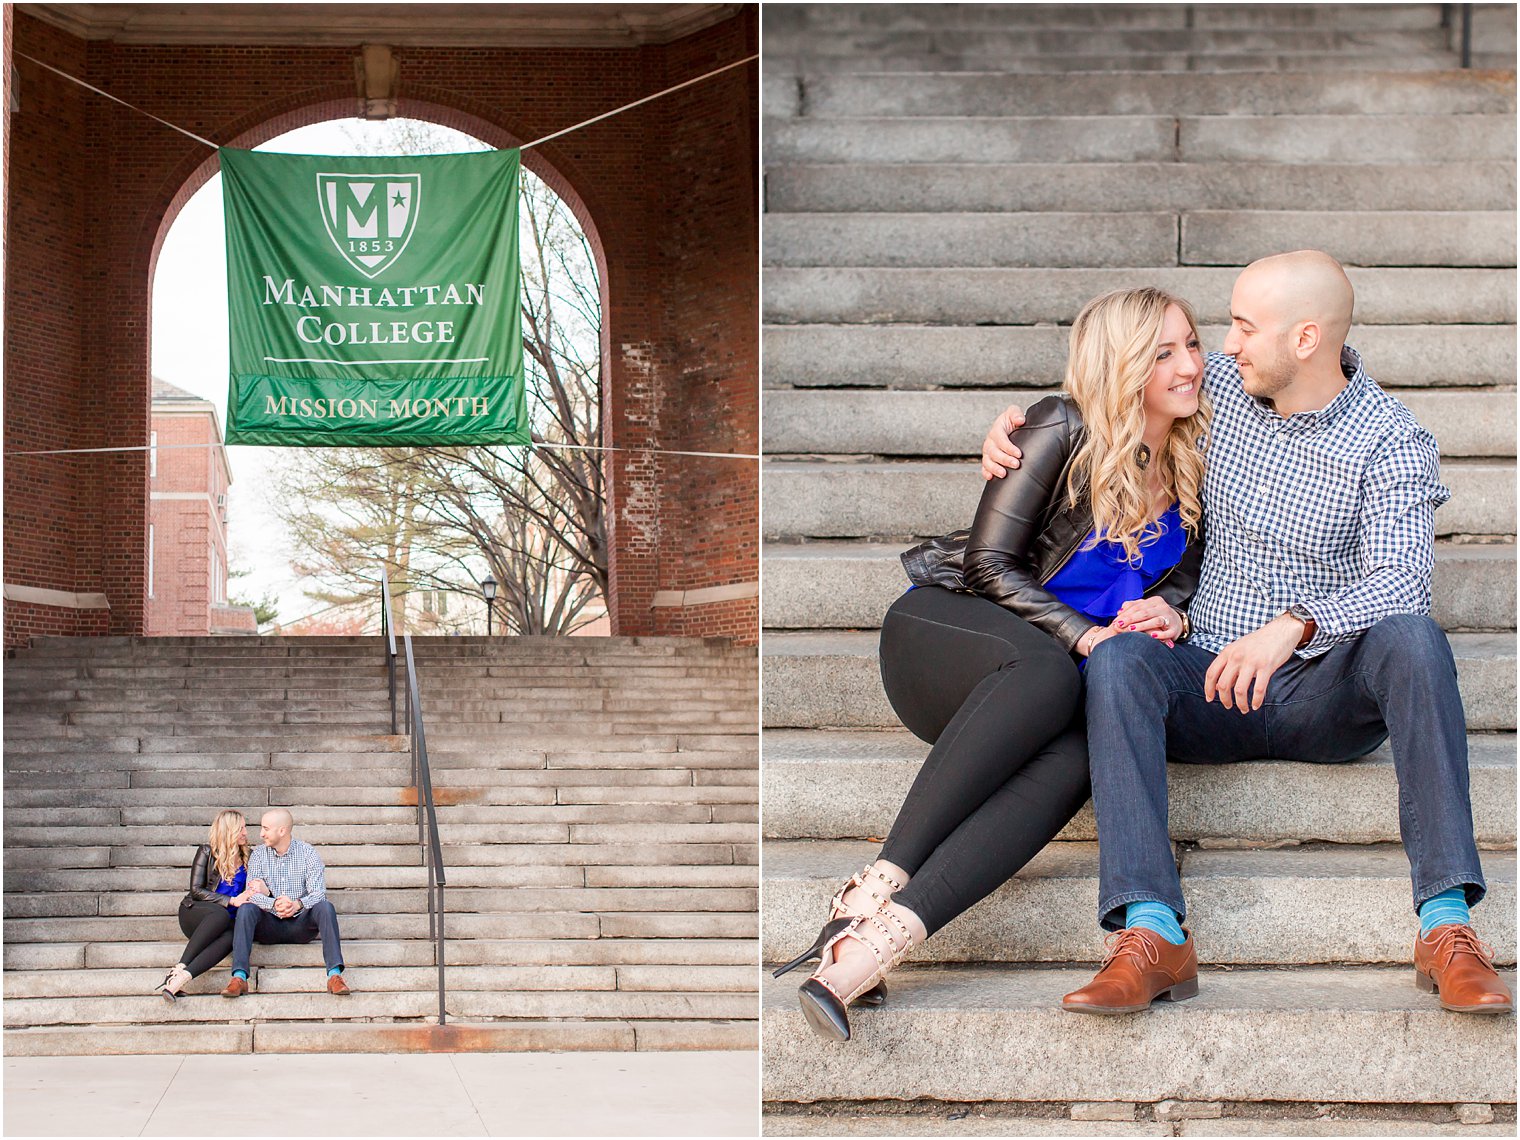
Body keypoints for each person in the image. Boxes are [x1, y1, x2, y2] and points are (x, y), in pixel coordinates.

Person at [980, 250, 1512, 1016]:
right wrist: (1018, 426)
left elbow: (1404, 579)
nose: (1220, 346)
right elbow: (1115, 389)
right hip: (1204, 675)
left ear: (1304, 340)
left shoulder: (1392, 440)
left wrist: (1292, 628)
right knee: (1122, 657)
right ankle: (1151, 931)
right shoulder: (1221, 391)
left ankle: (1447, 927)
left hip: (1322, 690)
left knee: (1414, 636)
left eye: (1241, 327)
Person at [776, 287, 1211, 1041]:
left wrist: (1174, 610)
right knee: (1049, 671)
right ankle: (869, 890)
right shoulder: (1058, 427)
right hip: (952, 636)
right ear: (1122, 364)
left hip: (1047, 687)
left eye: (1193, 343)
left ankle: (874, 946)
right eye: (1164, 351)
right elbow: (987, 565)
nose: (1191, 364)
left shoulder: (1193, 463)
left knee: (1083, 753)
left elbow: (1182, 581)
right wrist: (1085, 637)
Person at [222, 808, 351, 997]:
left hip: (301, 925)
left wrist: (297, 904)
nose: (261, 833)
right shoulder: (258, 855)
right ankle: (239, 978)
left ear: (281, 831)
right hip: (269, 924)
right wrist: (274, 904)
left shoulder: (308, 853)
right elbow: (251, 893)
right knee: (246, 909)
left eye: (266, 828)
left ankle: (335, 976)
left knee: (325, 907)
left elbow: (319, 893)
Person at [157, 809, 266, 1001]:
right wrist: (231, 901)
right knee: (220, 914)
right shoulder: (207, 852)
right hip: (197, 914)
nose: (245, 832)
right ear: (229, 830)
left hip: (226, 923)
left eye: (245, 827)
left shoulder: (250, 856)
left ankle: (179, 980)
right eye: (240, 828)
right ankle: (180, 966)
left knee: (232, 937)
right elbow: (196, 890)